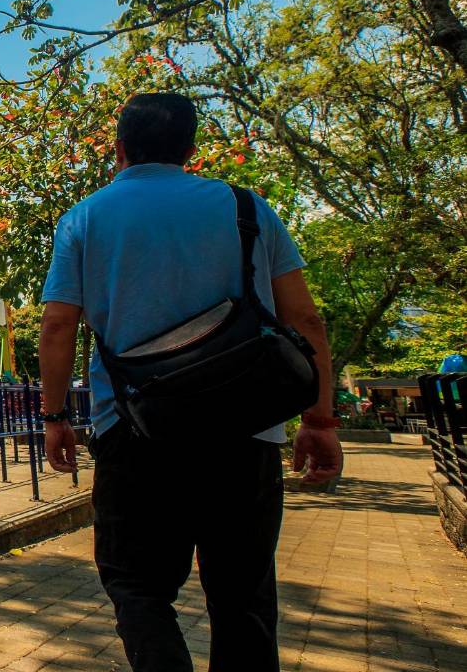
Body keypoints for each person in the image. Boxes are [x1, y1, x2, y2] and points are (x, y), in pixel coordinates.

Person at [37, 92, 343, 671]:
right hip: (246, 429)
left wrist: (55, 419)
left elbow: (57, 324)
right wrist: (319, 420)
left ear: (119, 149)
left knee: (137, 586)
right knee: (244, 597)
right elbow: (306, 320)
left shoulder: (85, 218)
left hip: (134, 430)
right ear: (192, 150)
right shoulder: (247, 209)